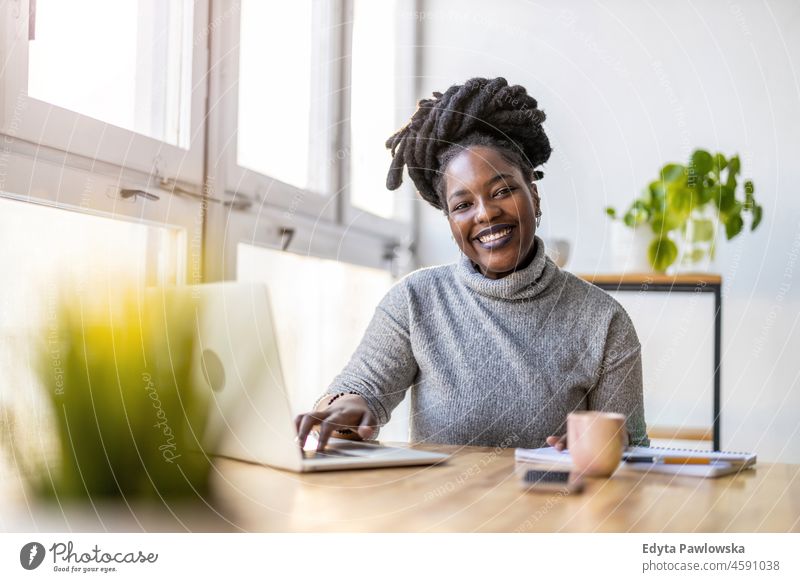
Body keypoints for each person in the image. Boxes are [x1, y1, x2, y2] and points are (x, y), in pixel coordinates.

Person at [295, 77, 648, 453]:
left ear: (534, 194)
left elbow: (635, 451)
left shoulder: (604, 321)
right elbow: (360, 389)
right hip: (441, 510)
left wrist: (608, 445)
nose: (486, 214)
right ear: (450, 221)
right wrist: (341, 409)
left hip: (556, 508)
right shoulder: (415, 301)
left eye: (502, 191)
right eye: (463, 205)